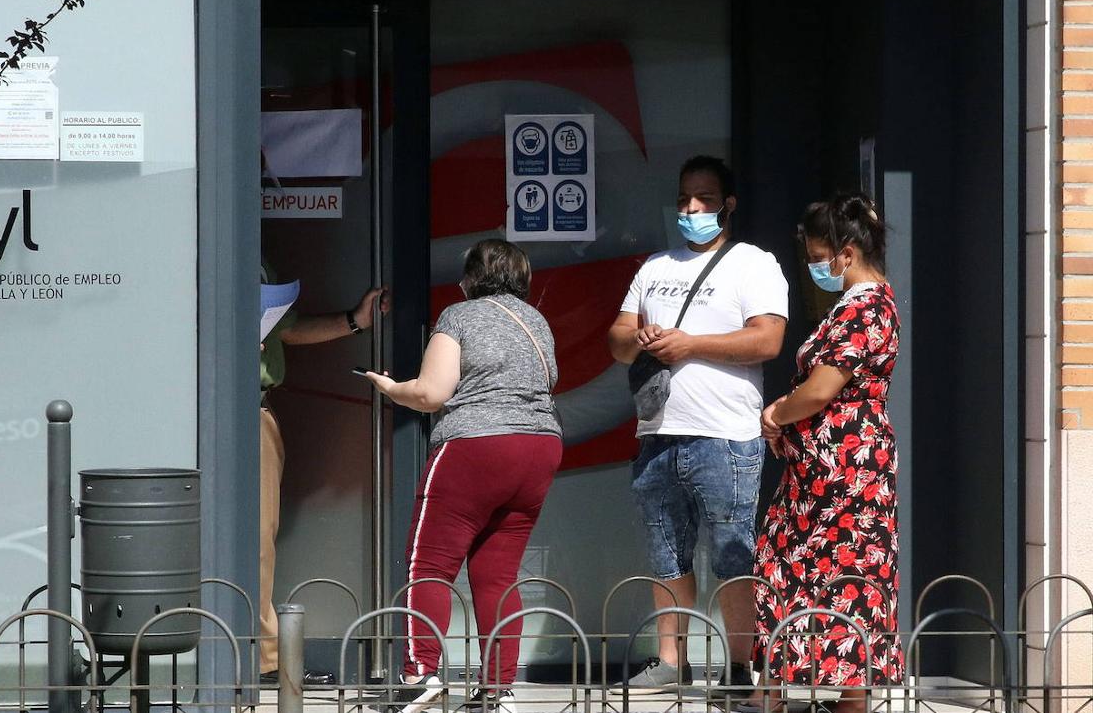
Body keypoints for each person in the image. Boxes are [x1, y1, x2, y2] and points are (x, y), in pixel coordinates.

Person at [607, 155, 788, 693]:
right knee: (666, 553)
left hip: (726, 435)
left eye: (704, 199)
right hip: (658, 431)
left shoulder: (754, 264)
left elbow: (767, 339)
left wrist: (690, 345)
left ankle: (739, 667)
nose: (692, 209)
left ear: (727, 205)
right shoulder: (654, 267)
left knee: (733, 552)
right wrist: (639, 339)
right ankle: (670, 662)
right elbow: (616, 340)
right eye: (685, 199)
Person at [364, 239, 562, 713]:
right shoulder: (536, 321)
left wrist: (393, 388)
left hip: (475, 446)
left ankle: (420, 675)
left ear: (471, 279)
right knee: (497, 576)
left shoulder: (459, 315)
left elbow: (432, 393)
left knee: (428, 565)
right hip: (539, 448)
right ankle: (497, 690)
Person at [750, 193, 902, 713]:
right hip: (826, 467)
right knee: (812, 563)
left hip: (845, 469)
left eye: (820, 255)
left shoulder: (866, 307)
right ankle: (807, 687)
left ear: (847, 252)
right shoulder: (861, 304)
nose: (816, 266)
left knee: (842, 569)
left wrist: (777, 414)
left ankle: (843, 694)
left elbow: (820, 390)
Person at [257, 261, 390, 685]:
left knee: (258, 537)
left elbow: (286, 328)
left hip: (254, 407)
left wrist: (354, 322)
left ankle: (263, 658)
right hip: (204, 400)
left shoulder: (251, 253)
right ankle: (257, 659)